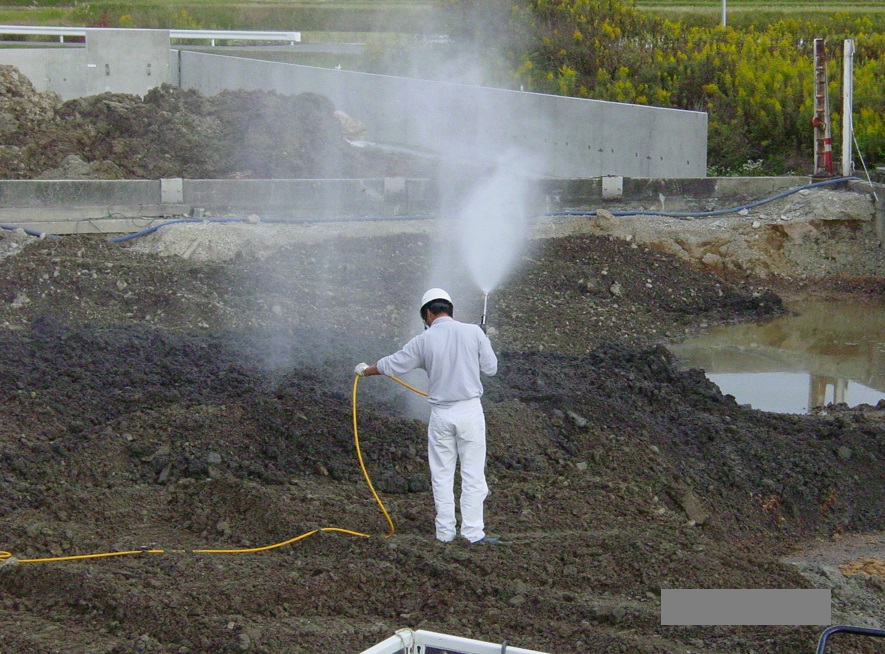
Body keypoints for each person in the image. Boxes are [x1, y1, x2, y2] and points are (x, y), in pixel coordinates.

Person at [354, 288, 499, 545]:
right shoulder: (474, 332)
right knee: (473, 475)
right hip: (470, 411)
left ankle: (444, 534)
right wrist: (483, 341)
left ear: (428, 313)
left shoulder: (424, 340)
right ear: (449, 310)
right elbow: (491, 369)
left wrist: (366, 371)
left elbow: (392, 364)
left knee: (442, 475)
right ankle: (473, 534)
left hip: (441, 415)